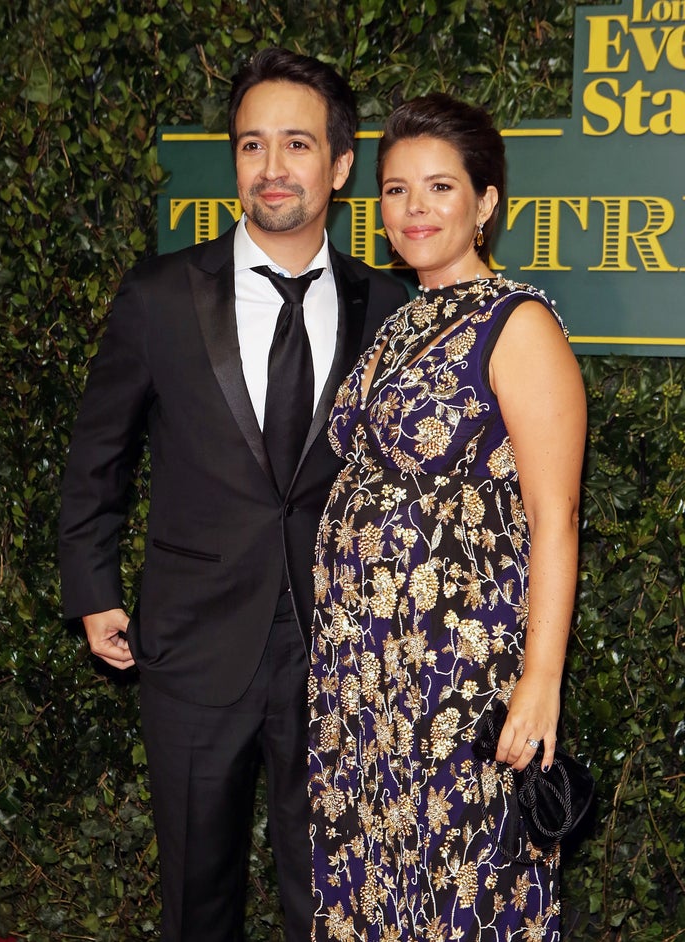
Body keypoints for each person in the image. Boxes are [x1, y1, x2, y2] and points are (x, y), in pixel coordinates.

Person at [58, 47, 407, 942]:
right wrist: (92, 591)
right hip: (191, 641)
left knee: (326, 895)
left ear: (338, 165)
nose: (272, 168)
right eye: (252, 146)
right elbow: (98, 454)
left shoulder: (388, 306)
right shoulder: (161, 295)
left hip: (339, 651)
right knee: (196, 894)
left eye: (297, 144)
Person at [308, 92, 587, 940]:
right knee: (375, 878)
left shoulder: (520, 324)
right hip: (364, 676)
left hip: (456, 678)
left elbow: (556, 513)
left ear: (486, 202)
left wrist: (540, 681)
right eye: (396, 190)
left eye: (438, 188)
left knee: (461, 881)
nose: (414, 210)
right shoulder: (402, 320)